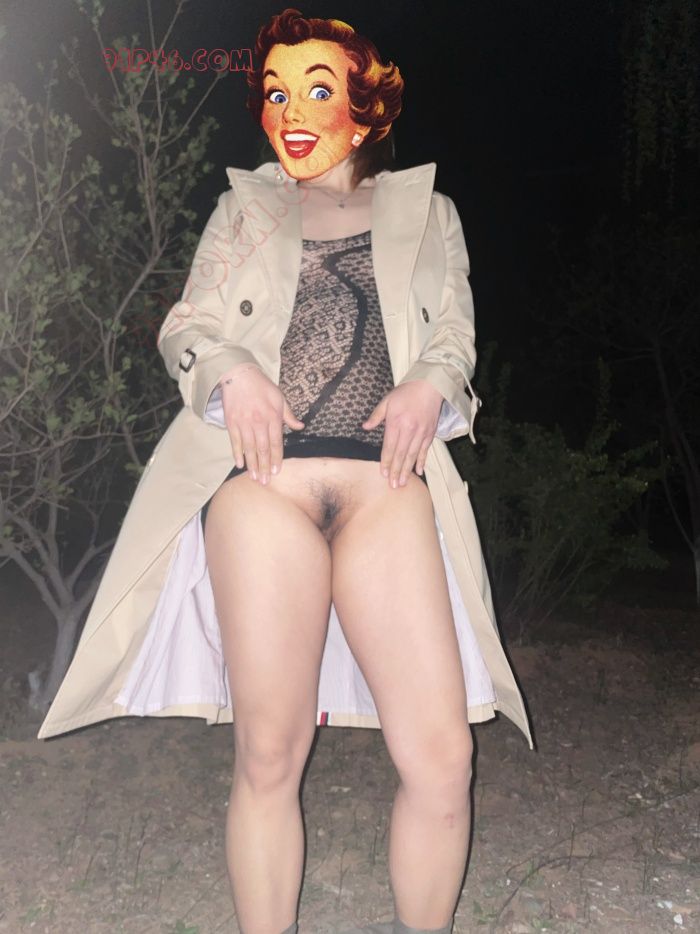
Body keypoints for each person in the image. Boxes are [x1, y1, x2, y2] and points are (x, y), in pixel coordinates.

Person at [39, 9, 531, 934]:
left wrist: (430, 383)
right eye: (274, 91)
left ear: (366, 103)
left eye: (316, 87)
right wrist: (229, 371)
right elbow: (187, 327)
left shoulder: (430, 212)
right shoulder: (246, 209)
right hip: (265, 489)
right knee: (270, 754)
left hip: (387, 488)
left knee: (442, 759)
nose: (290, 108)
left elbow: (456, 338)